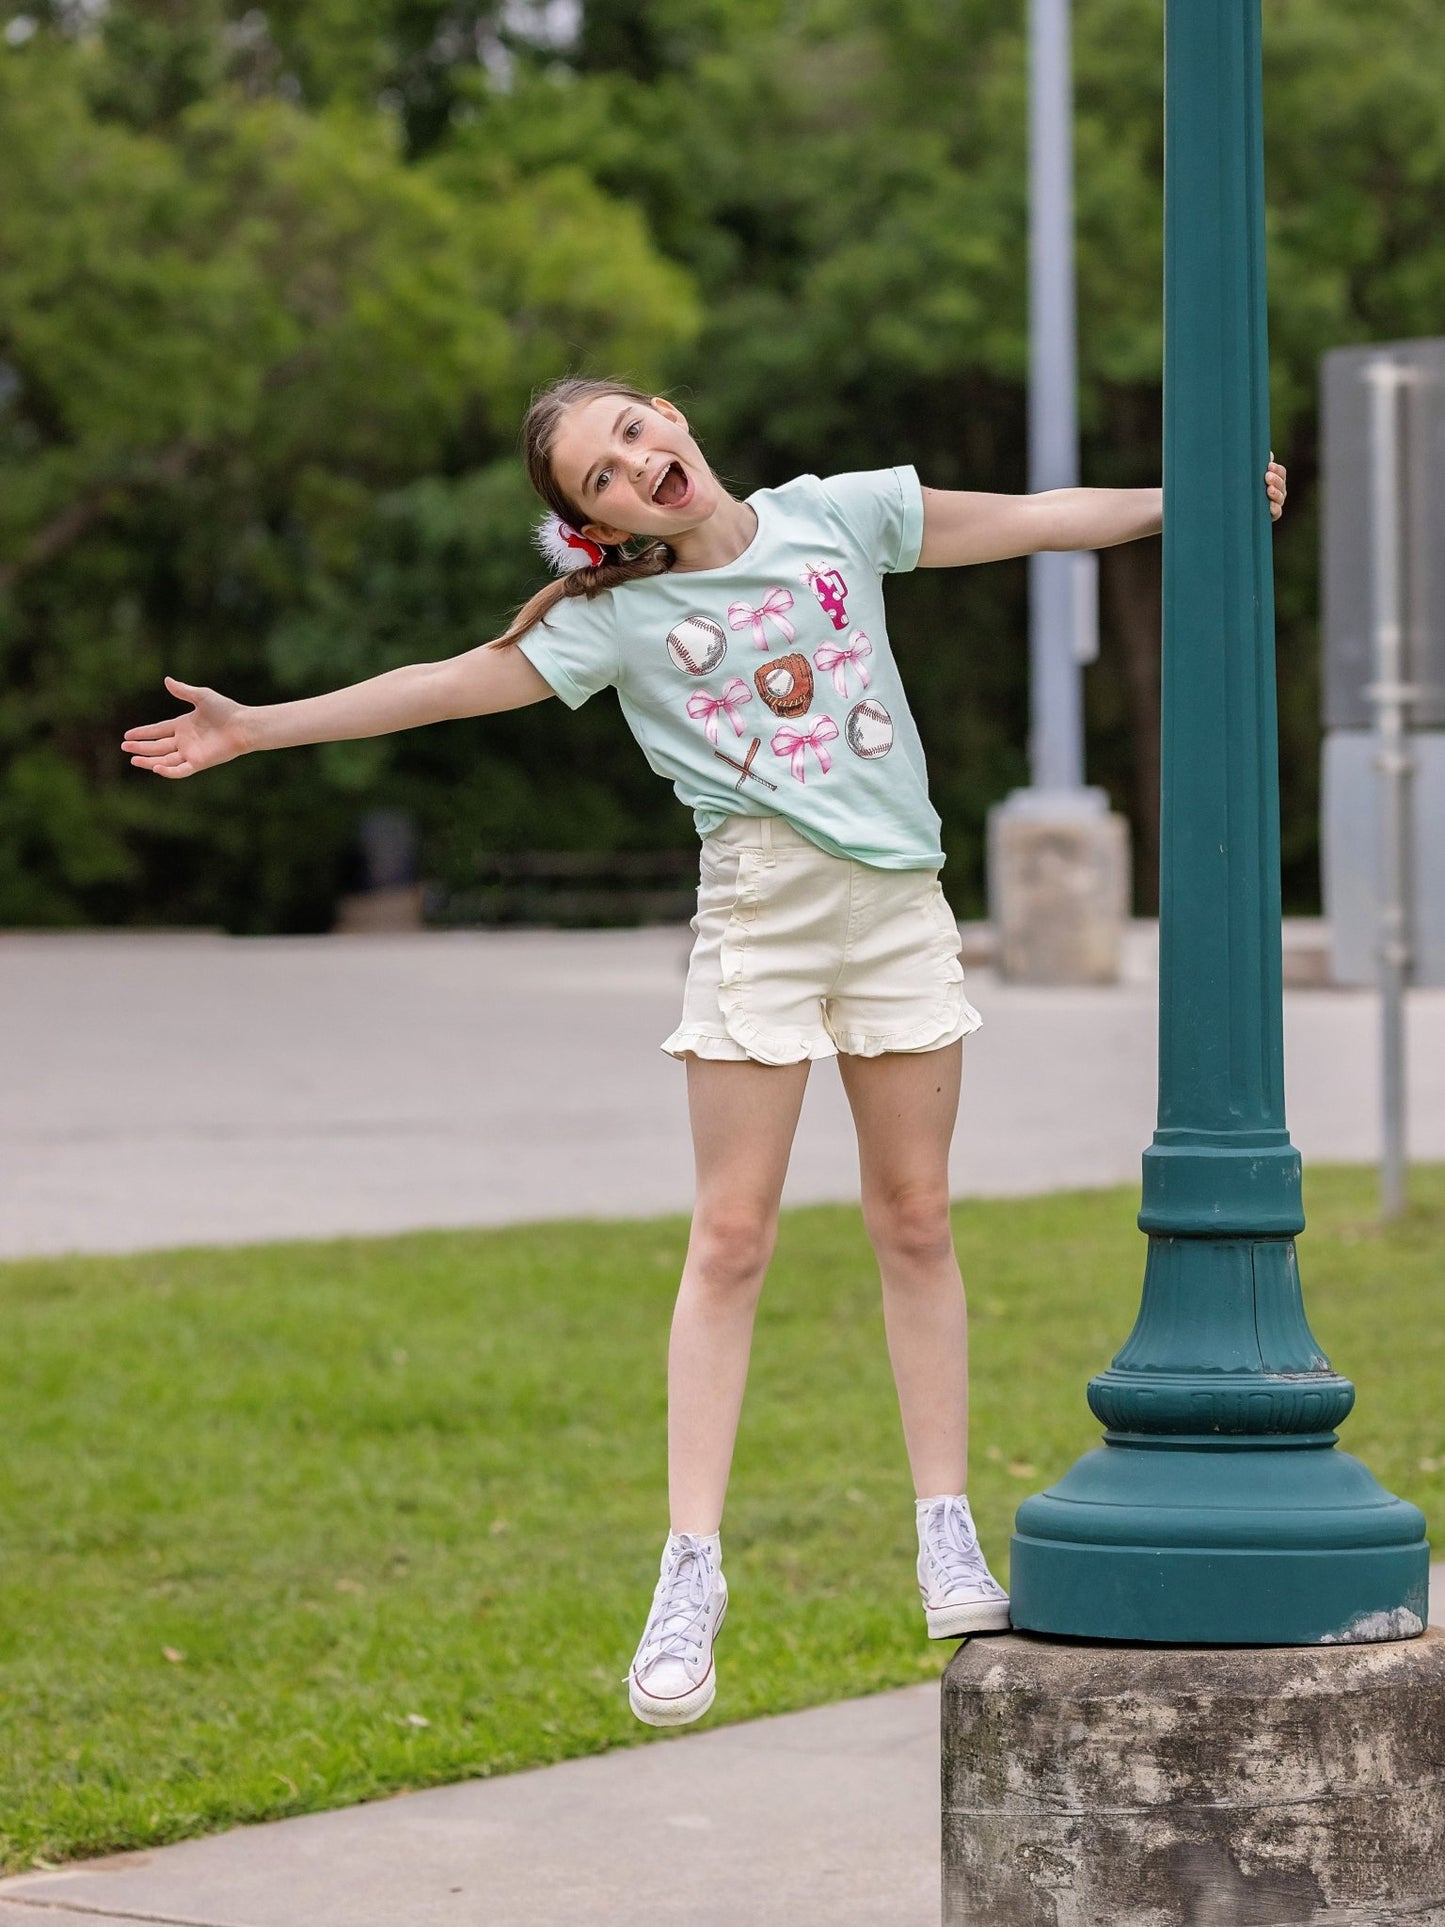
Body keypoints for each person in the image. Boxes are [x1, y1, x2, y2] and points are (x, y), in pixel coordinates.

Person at [122, 377, 1288, 1728]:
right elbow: (445, 686)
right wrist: (257, 725)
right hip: (758, 917)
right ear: (591, 526)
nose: (630, 469)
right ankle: (690, 1570)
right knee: (730, 1237)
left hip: (896, 909)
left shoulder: (839, 518)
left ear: (670, 419)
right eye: (596, 482)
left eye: (629, 436)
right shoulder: (616, 624)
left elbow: (1024, 519)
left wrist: (1185, 505)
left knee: (912, 1221)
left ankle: (943, 1532)